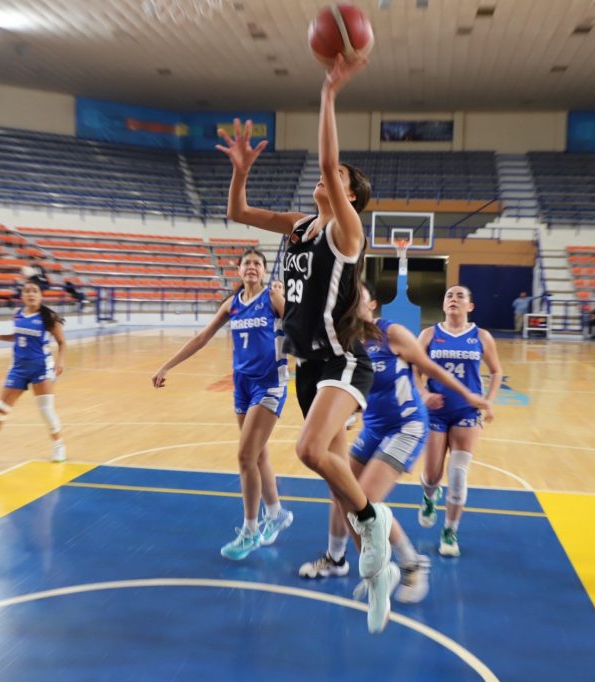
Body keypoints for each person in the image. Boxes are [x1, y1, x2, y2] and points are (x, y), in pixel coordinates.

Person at [218, 55, 398, 634]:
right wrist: (241, 170)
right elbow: (238, 212)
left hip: (344, 359)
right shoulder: (300, 226)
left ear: (351, 197)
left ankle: (373, 523)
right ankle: (378, 574)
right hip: (308, 367)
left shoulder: (347, 230)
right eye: (329, 172)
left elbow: (324, 159)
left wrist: (328, 93)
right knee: (335, 470)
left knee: (308, 451)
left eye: (338, 175)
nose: (326, 176)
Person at [299, 283, 491, 604]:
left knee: (364, 500)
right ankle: (336, 558)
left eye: (358, 298)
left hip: (407, 425)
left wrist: (470, 396)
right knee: (339, 488)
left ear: (372, 304)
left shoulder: (391, 333)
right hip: (374, 427)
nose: (351, 304)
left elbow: (429, 368)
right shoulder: (344, 342)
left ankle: (412, 562)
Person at [152, 248, 294, 560]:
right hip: (241, 385)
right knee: (258, 455)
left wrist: (286, 300)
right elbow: (201, 338)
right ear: (239, 270)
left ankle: (250, 531)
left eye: (258, 263)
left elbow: (299, 326)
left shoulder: (272, 298)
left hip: (269, 383)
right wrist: (166, 366)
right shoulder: (232, 304)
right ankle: (276, 514)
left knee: (245, 456)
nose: (252, 267)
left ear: (264, 270)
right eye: (247, 263)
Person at [415, 285, 503, 558]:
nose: (453, 299)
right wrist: (424, 394)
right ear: (444, 305)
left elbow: (496, 371)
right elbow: (414, 371)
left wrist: (489, 400)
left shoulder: (481, 336)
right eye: (449, 296)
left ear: (470, 306)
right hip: (435, 411)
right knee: (432, 475)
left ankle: (449, 531)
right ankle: (430, 496)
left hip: (467, 412)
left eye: (460, 296)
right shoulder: (429, 335)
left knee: (457, 474)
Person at [0, 281, 67, 464]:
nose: (31, 294)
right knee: (0, 409)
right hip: (18, 368)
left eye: (35, 291)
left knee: (46, 410)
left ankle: (59, 446)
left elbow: (62, 342)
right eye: (27, 291)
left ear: (40, 295)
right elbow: (19, 336)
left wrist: (60, 361)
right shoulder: (18, 314)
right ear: (22, 296)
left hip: (41, 367)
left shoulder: (48, 317)